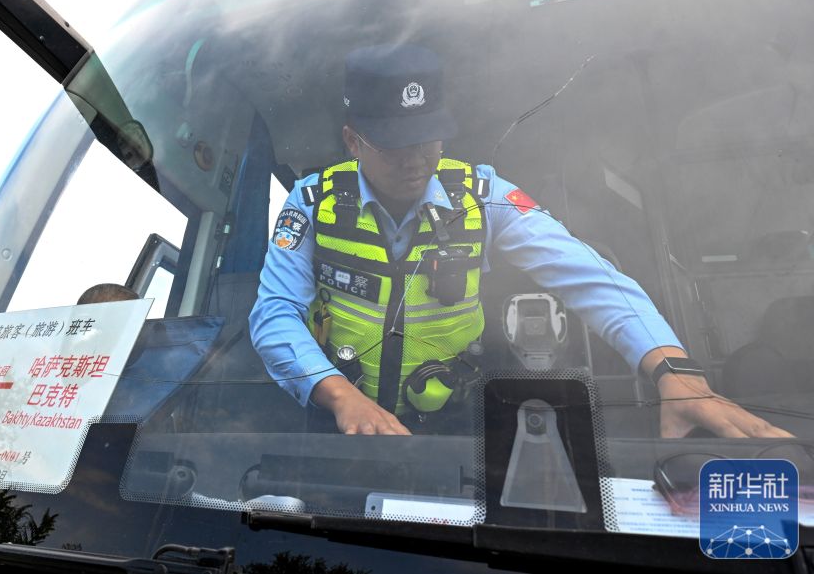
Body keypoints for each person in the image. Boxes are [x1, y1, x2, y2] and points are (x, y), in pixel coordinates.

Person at [249, 43, 792, 438]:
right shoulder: (311, 202)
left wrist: (674, 371)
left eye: (428, 139)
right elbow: (274, 313)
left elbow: (588, 276)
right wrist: (339, 397)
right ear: (353, 141)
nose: (416, 160)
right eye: (395, 145)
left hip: (453, 428)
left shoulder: (482, 195)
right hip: (337, 425)